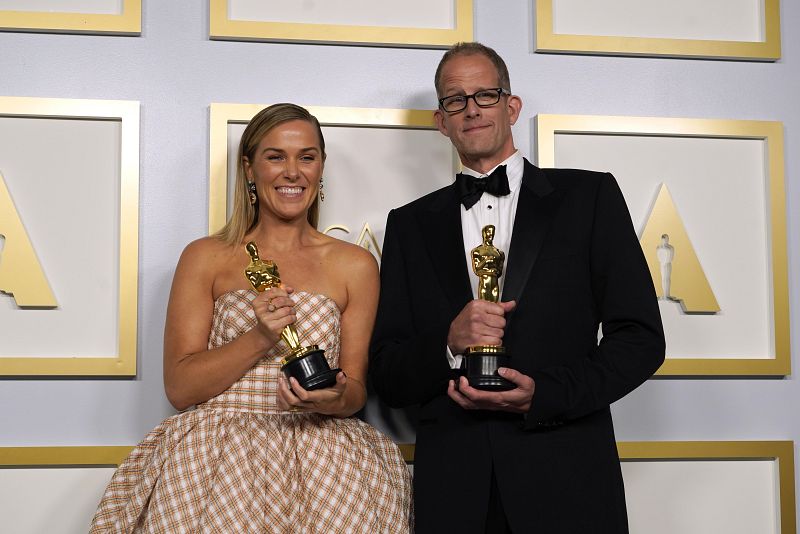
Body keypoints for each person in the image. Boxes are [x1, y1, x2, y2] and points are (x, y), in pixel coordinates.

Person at [369, 42, 665, 533]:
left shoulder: (588, 197)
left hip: (568, 480)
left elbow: (641, 339)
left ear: (512, 106)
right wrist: (448, 342)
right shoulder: (409, 225)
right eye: (455, 100)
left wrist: (544, 394)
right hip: (455, 492)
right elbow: (388, 373)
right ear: (441, 121)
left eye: (485, 94)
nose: (472, 109)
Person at [91, 103, 412, 533]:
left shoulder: (355, 265)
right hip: (215, 464)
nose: (292, 172)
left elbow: (354, 391)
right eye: (275, 156)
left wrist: (332, 398)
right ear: (249, 168)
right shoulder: (205, 257)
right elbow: (180, 388)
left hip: (326, 462)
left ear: (321, 167)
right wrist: (260, 336)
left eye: (306, 157)